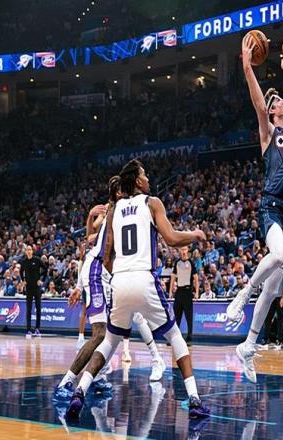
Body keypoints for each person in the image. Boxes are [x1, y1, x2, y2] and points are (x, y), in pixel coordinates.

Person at [66, 159, 209, 420]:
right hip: (144, 278)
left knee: (109, 341)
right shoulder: (152, 203)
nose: (148, 178)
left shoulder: (114, 210)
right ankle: (195, 399)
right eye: (145, 175)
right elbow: (172, 238)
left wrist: (120, 273)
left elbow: (106, 255)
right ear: (137, 181)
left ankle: (80, 391)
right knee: (175, 336)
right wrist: (195, 234)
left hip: (119, 280)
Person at [225, 36, 283, 383]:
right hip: (271, 206)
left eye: (280, 101)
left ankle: (248, 345)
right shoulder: (268, 134)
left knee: (275, 287)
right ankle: (242, 295)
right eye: (277, 101)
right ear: (273, 109)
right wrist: (247, 66)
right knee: (276, 256)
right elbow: (257, 101)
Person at [55, 177, 165, 402]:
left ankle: (97, 376)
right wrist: (82, 284)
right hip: (98, 272)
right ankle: (66, 382)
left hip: (106, 275)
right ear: (119, 192)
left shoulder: (123, 211)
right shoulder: (114, 211)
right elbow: (92, 241)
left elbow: (93, 239)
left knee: (113, 332)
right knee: (100, 334)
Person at [170, 246, 199, 343]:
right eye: (182, 249)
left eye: (185, 249)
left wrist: (197, 292)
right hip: (179, 291)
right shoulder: (177, 263)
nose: (183, 251)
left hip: (187, 291)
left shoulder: (191, 263)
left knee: (188, 316)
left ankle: (189, 337)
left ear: (187, 251)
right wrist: (170, 291)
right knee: (176, 316)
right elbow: (173, 277)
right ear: (179, 251)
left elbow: (196, 278)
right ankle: (175, 337)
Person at [20, 244, 46, 338]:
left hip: (37, 288)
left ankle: (37, 329)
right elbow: (21, 272)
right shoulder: (23, 261)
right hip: (29, 288)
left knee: (38, 308)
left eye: (30, 249)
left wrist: (42, 280)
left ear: (32, 251)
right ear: (26, 251)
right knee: (29, 309)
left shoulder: (37, 260)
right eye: (27, 250)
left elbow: (45, 269)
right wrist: (23, 280)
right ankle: (28, 330)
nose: (29, 251)